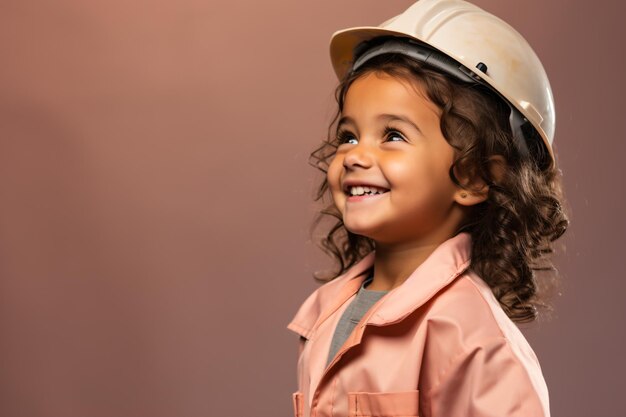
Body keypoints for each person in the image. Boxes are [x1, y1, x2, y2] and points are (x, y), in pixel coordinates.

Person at [287, 1, 569, 416]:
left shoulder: (475, 340)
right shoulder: (328, 314)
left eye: (393, 135)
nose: (355, 155)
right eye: (348, 136)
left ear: (474, 177)